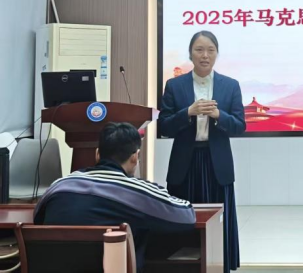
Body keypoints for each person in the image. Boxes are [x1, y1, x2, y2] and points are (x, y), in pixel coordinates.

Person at [34, 122, 195, 270]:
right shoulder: (135, 191)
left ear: (97, 154)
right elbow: (186, 216)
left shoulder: (59, 185)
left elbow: (37, 218)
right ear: (135, 157)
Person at [158, 30, 246, 272]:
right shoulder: (175, 85)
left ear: (217, 54)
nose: (204, 55)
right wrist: (188, 112)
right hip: (184, 163)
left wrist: (219, 115)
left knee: (219, 219)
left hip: (217, 163)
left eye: (210, 50)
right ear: (190, 54)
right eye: (199, 50)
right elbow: (164, 126)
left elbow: (239, 126)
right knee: (183, 219)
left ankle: (220, 265)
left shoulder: (230, 86)